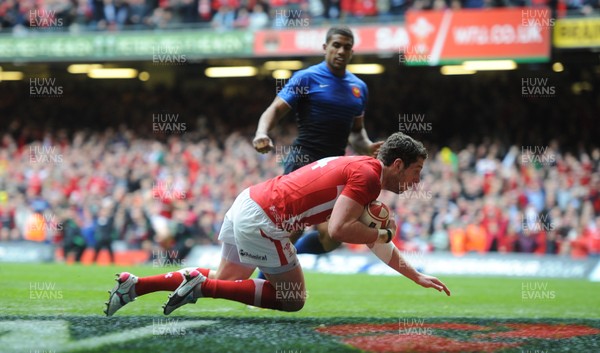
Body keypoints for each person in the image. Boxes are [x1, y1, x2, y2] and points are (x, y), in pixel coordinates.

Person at [104, 132, 451, 316]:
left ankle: (134, 286)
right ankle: (201, 288)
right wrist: (384, 231)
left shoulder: (362, 168)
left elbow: (368, 239)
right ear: (399, 164)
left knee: (229, 280)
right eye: (417, 172)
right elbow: (343, 230)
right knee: (293, 298)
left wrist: (415, 275)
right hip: (265, 220)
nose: (416, 182)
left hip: (249, 202)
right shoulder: (368, 177)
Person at [252, 26, 383, 262]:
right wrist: (262, 132)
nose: (341, 51)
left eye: (346, 47)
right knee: (293, 227)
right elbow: (275, 109)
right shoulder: (307, 78)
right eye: (336, 45)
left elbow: (356, 133)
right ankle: (262, 285)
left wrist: (367, 146)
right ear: (325, 48)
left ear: (352, 51)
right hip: (305, 160)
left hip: (336, 167)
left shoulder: (359, 88)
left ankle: (292, 255)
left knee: (333, 235)